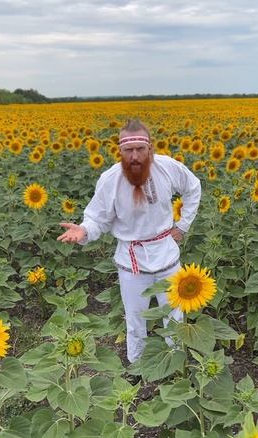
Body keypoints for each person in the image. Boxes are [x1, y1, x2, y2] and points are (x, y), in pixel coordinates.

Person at [57, 118, 201, 363]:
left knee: (175, 315)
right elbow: (97, 217)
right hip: (131, 261)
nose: (135, 156)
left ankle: (176, 367)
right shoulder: (110, 179)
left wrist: (183, 226)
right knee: (136, 319)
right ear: (120, 151)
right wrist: (83, 230)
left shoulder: (166, 167)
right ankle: (137, 367)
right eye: (128, 150)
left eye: (140, 149)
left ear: (150, 148)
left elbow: (193, 187)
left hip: (166, 253)